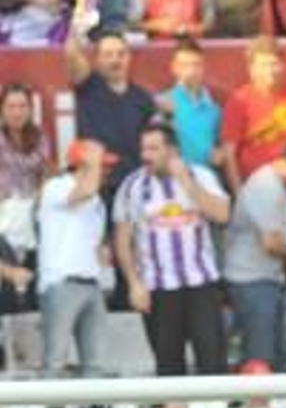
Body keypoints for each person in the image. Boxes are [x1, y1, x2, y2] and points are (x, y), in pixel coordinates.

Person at [112, 122, 231, 376]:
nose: (146, 156)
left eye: (154, 149)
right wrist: (134, 283)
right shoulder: (132, 185)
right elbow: (123, 241)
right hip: (158, 288)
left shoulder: (201, 175)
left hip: (201, 284)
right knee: (168, 369)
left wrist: (187, 184)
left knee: (212, 364)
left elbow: (222, 215)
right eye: (143, 149)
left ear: (172, 151)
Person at [224, 137, 286, 374]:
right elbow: (270, 243)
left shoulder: (273, 184)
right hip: (253, 281)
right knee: (260, 359)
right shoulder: (267, 187)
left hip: (265, 279)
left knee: (276, 356)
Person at [37, 141, 112, 381]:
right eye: (102, 165)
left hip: (92, 283)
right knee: (55, 361)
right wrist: (93, 164)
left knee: (96, 364)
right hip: (61, 283)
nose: (106, 170)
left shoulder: (97, 200)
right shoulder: (56, 186)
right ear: (81, 164)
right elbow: (84, 191)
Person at [65, 28, 156, 201]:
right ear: (97, 60)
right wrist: (79, 16)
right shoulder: (88, 86)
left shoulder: (143, 98)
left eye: (121, 54)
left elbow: (151, 145)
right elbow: (71, 52)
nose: (115, 60)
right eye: (108, 54)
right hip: (95, 183)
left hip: (132, 185)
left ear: (129, 58)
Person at [219, 37, 286, 196]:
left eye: (274, 64)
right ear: (251, 69)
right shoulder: (239, 100)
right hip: (255, 186)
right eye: (263, 65)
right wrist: (240, 195)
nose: (270, 71)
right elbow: (229, 154)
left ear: (283, 65)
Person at [0, 83, 49, 313]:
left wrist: (40, 195)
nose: (16, 112)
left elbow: (45, 174)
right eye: (11, 106)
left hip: (32, 221)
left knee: (32, 288)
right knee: (6, 289)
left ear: (30, 109)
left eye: (22, 106)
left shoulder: (39, 138)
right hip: (3, 221)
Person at [156, 38, 221, 173]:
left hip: (207, 181)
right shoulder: (161, 103)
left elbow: (220, 149)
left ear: (204, 67)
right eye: (184, 65)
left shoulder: (215, 109)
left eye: (196, 64)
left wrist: (219, 155)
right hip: (173, 181)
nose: (191, 70)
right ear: (174, 68)